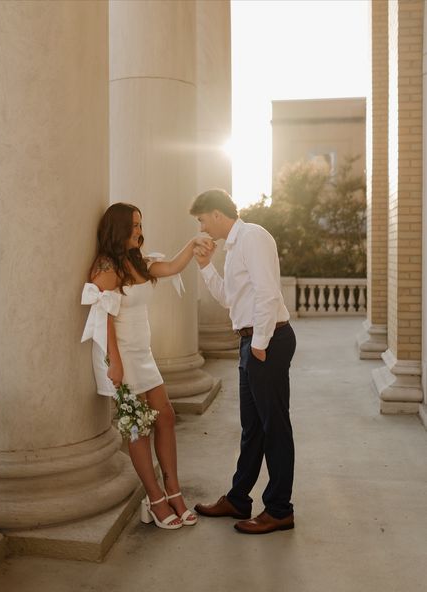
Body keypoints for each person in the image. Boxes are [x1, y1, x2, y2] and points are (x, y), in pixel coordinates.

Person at [81, 202, 212, 530]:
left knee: (165, 415)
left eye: (140, 225)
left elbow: (172, 267)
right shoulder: (107, 266)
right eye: (134, 226)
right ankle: (154, 499)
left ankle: (174, 490)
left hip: (143, 353)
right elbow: (104, 317)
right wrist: (114, 363)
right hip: (120, 356)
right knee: (137, 427)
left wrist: (194, 242)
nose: (139, 231)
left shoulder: (137, 262)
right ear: (118, 228)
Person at [189, 188, 297, 535]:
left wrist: (261, 345)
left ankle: (280, 509)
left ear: (217, 214)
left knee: (274, 428)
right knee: (252, 428)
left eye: (203, 220)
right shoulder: (234, 247)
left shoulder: (253, 237)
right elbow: (230, 300)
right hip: (251, 340)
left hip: (268, 341)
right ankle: (238, 498)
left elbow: (268, 292)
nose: (203, 228)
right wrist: (206, 268)